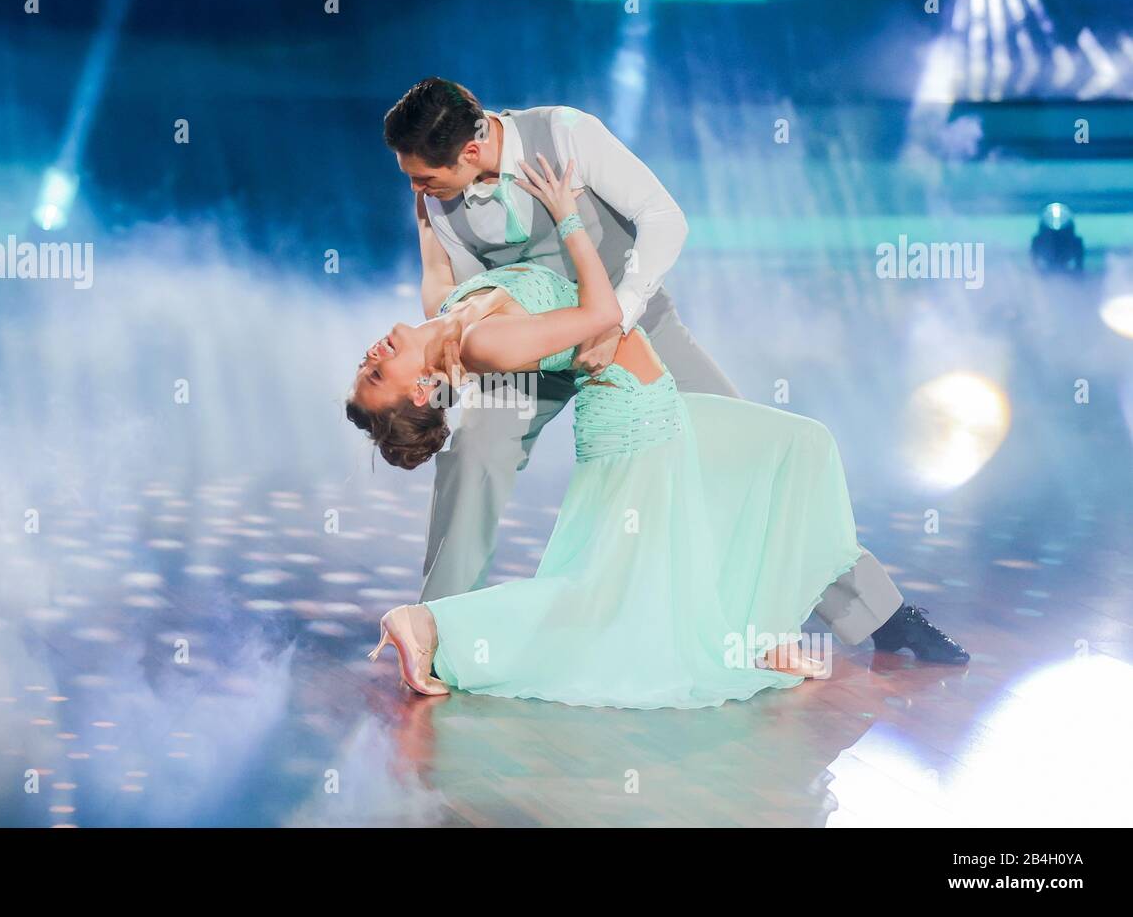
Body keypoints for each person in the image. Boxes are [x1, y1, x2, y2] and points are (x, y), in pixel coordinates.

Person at [375, 77, 967, 666]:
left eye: (423, 175)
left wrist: (619, 316)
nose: (415, 187)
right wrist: (451, 341)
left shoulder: (564, 133)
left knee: (743, 455)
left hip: (632, 329)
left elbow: (664, 217)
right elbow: (453, 289)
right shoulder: (435, 196)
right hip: (533, 353)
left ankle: (882, 615)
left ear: (470, 150)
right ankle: (435, 631)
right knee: (475, 447)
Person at [351, 155, 862, 707]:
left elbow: (435, 269)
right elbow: (600, 315)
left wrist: (422, 198)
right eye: (378, 374)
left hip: (660, 403)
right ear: (423, 391)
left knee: (799, 446)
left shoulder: (446, 309)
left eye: (365, 362)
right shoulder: (483, 344)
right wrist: (566, 217)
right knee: (597, 597)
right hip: (630, 420)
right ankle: (426, 626)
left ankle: (765, 633)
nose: (373, 354)